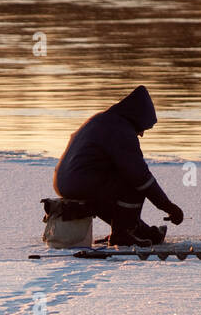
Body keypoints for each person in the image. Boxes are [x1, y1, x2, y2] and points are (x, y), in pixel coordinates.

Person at [52, 86, 184, 247]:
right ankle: (122, 234)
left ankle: (137, 231)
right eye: (143, 127)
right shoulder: (120, 130)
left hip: (64, 180)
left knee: (117, 182)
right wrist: (169, 207)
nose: (142, 133)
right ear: (136, 118)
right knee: (134, 184)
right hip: (80, 181)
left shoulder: (102, 119)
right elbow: (140, 177)